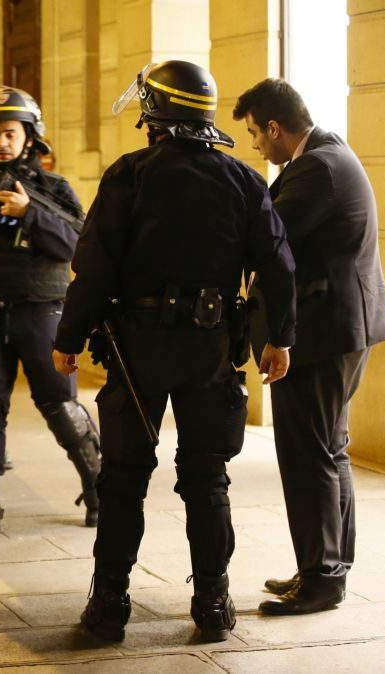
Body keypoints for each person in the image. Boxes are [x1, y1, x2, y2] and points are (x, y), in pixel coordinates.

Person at [52, 61, 297, 643]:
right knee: (207, 478)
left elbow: (92, 269)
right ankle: (212, 604)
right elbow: (279, 265)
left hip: (136, 350)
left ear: (154, 114)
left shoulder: (129, 176)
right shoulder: (243, 180)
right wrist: (279, 337)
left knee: (122, 480)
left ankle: (109, 606)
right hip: (211, 348)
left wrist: (67, 339)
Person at [232, 78, 385, 615]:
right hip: (339, 328)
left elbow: (268, 238)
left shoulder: (317, 167)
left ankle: (322, 580)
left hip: (322, 334)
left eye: (256, 134)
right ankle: (326, 568)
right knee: (329, 450)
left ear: (275, 128)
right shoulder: (328, 156)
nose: (256, 145)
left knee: (308, 456)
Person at [0, 85, 101, 542]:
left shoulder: (54, 189)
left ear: (30, 137)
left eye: (10, 133)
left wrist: (31, 213)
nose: (1, 143)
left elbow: (79, 246)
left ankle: (98, 489)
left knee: (62, 410)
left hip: (40, 314)